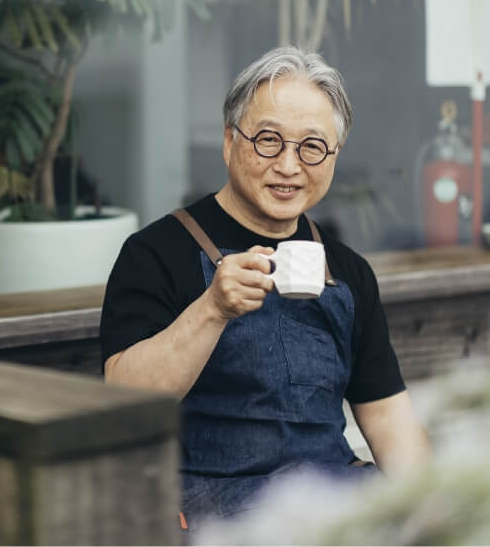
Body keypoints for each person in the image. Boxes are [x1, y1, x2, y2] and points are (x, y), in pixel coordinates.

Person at [99, 46, 431, 534]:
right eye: (269, 140)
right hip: (212, 512)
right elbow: (123, 402)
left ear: (334, 156)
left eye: (312, 146)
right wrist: (211, 309)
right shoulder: (156, 253)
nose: (289, 165)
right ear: (231, 141)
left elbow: (387, 416)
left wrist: (433, 507)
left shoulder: (347, 270)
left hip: (330, 500)